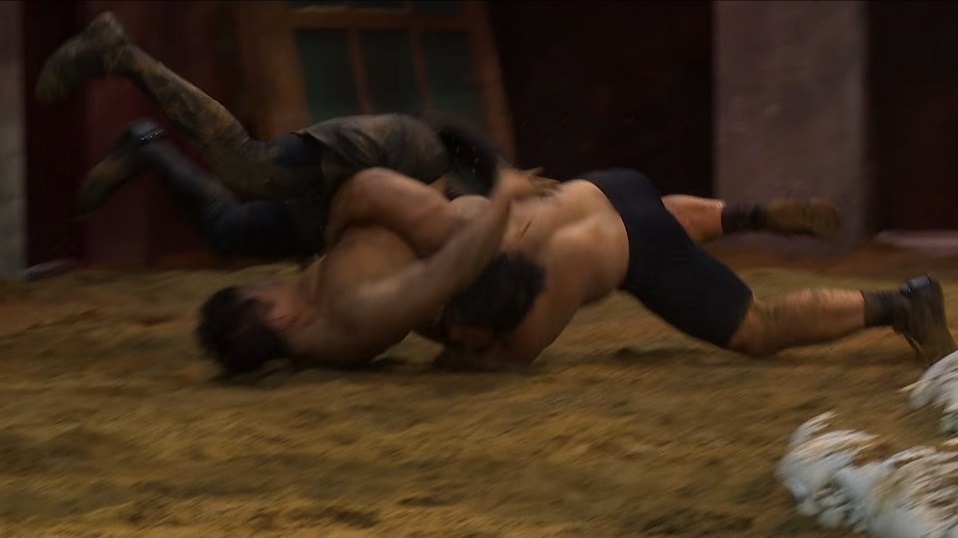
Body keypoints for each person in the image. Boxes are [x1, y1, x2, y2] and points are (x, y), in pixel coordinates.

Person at [325, 167, 956, 370]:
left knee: (756, 329)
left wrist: (450, 345)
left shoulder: (547, 290)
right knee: (649, 214)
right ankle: (748, 215)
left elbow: (505, 357)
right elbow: (373, 191)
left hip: (628, 241)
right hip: (609, 186)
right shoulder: (470, 225)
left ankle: (902, 304)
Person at [36, 11, 502, 259]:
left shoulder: (491, 223)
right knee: (248, 167)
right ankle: (119, 53)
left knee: (228, 232)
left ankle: (147, 147)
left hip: (366, 189)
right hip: (386, 158)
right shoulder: (493, 222)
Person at [194, 166, 555, 374]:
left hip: (454, 236)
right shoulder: (356, 311)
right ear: (278, 318)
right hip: (489, 266)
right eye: (261, 289)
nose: (269, 282)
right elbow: (451, 270)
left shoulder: (315, 308)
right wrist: (505, 192)